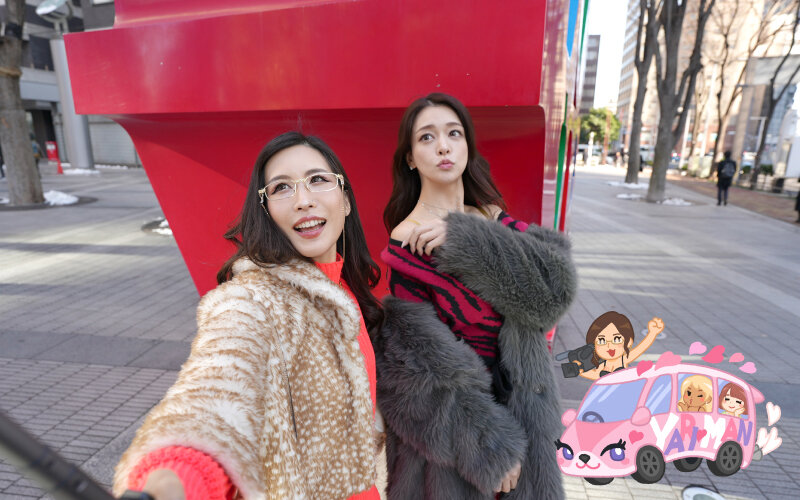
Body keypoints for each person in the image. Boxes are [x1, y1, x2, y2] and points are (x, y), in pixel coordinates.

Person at [113, 132, 383, 500]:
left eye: (318, 179)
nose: (303, 200)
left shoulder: (345, 292)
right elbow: (212, 399)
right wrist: (174, 481)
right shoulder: (255, 300)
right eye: (281, 187)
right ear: (266, 211)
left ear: (346, 200)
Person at [375, 93, 578, 499]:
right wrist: (489, 447)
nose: (444, 146)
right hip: (458, 447)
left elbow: (554, 290)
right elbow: (413, 368)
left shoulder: (490, 219)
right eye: (427, 137)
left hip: (525, 419)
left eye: (454, 134)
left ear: (467, 145)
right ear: (410, 157)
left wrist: (466, 237)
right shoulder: (409, 239)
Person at [576, 312, 664, 380]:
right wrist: (579, 371)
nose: (609, 345)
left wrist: (652, 333)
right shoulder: (602, 364)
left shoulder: (623, 359)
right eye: (602, 341)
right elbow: (595, 375)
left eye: (617, 339)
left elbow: (640, 349)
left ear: (628, 342)